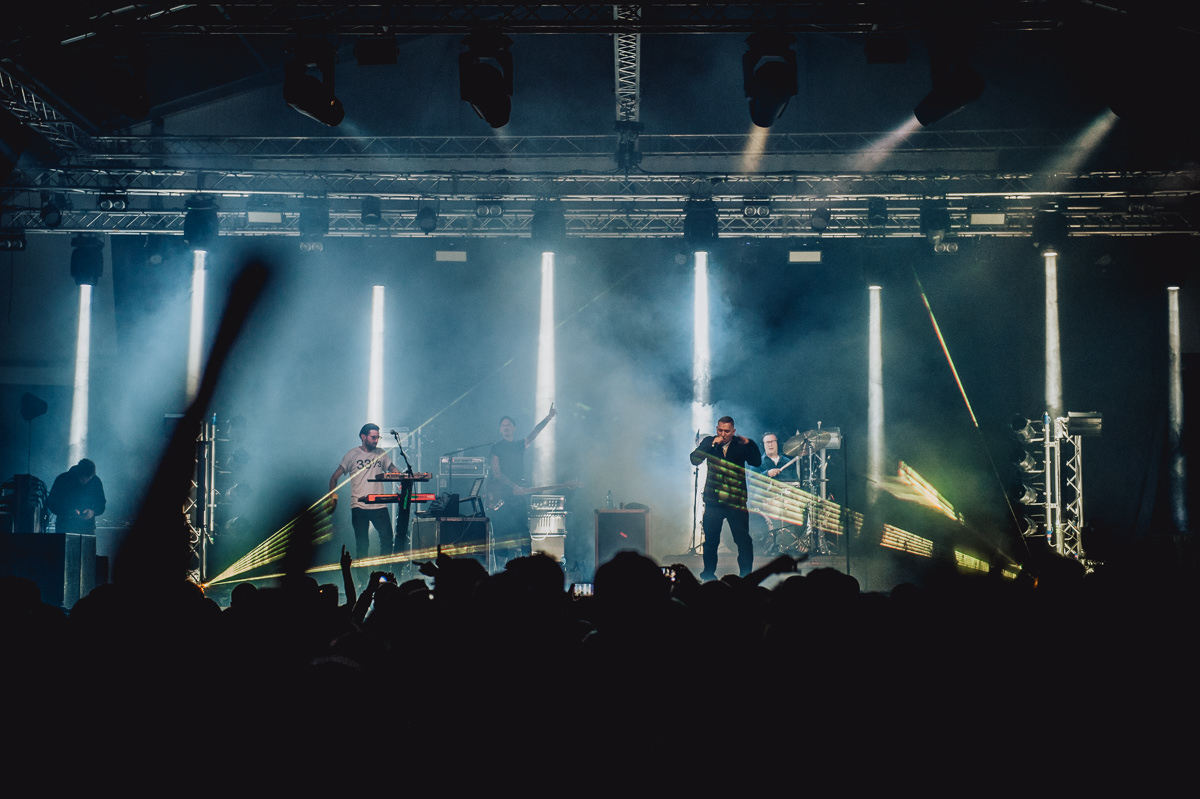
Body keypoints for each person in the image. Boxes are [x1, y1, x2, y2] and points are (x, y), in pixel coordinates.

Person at [690, 416, 761, 580]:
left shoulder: (740, 444)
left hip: (736, 502)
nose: (723, 434)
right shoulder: (709, 442)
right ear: (717, 429)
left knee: (743, 540)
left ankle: (746, 576)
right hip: (713, 501)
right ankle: (708, 575)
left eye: (727, 431)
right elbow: (694, 459)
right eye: (720, 430)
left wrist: (751, 444)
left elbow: (756, 462)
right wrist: (710, 445)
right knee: (711, 541)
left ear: (733, 431)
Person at [488, 406, 556, 555]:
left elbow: (534, 433)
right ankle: (501, 566)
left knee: (523, 531)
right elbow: (497, 473)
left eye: (508, 425)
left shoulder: (519, 445)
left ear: (514, 428)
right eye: (503, 425)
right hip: (503, 494)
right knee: (502, 533)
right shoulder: (496, 448)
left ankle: (527, 563)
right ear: (500, 429)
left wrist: (548, 418)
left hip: (518, 495)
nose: (506, 427)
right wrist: (513, 486)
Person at [329, 424, 397, 560]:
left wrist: (401, 479)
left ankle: (383, 571)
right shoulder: (352, 454)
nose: (376, 440)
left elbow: (393, 469)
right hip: (359, 505)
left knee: (388, 539)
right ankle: (363, 573)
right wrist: (332, 497)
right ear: (363, 437)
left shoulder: (381, 453)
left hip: (379, 505)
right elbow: (334, 477)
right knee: (362, 544)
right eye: (373, 437)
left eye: (378, 437)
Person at [47, 458, 106, 534]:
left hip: (87, 527)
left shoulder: (96, 481)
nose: (85, 481)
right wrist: (67, 512)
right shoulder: (62, 479)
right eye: (82, 479)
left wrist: (93, 512)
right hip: (64, 527)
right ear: (78, 474)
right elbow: (51, 502)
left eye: (88, 479)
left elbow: (101, 504)